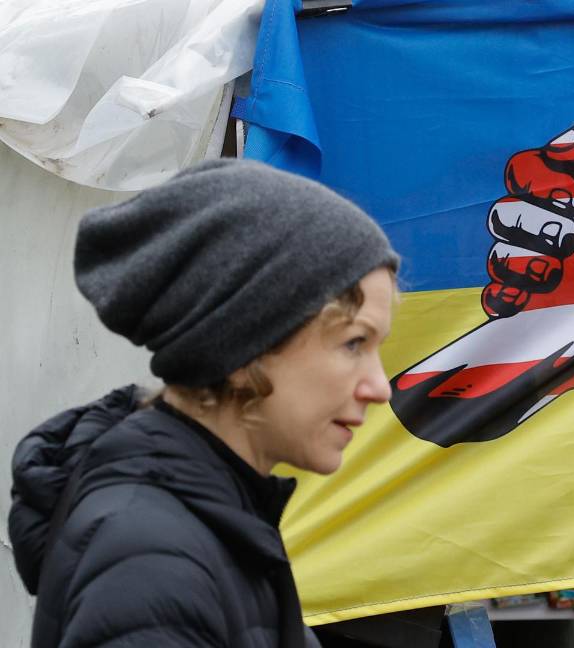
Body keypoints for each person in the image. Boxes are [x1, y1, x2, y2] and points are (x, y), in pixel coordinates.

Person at [8, 158, 400, 647]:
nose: (380, 387)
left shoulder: (210, 525)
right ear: (245, 344)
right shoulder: (153, 564)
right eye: (354, 344)